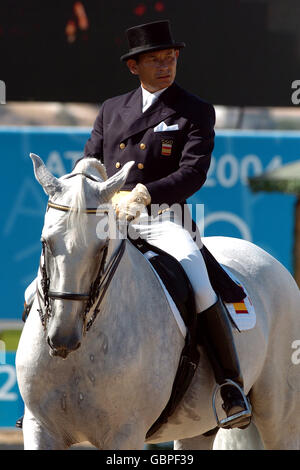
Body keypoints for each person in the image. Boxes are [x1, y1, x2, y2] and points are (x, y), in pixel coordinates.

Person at [84, 20, 251, 429]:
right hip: (110, 221)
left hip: (162, 219)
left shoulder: (194, 110)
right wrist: (86, 182)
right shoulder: (111, 109)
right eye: (155, 60)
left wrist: (144, 194)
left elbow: (193, 172)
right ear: (133, 66)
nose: (165, 66)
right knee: (56, 274)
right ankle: (49, 387)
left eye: (170, 58)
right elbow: (90, 159)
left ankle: (230, 384)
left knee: (197, 276)